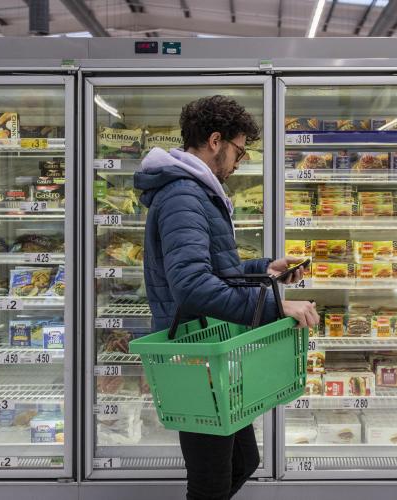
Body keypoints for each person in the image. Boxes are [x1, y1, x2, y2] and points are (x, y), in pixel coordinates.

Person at [134, 95, 319, 500]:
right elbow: (192, 285)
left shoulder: (196, 191)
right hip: (193, 353)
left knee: (242, 462)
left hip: (210, 347)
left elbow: (210, 269)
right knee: (211, 483)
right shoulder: (183, 194)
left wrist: (264, 270)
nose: (240, 162)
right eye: (240, 150)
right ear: (215, 141)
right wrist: (276, 307)